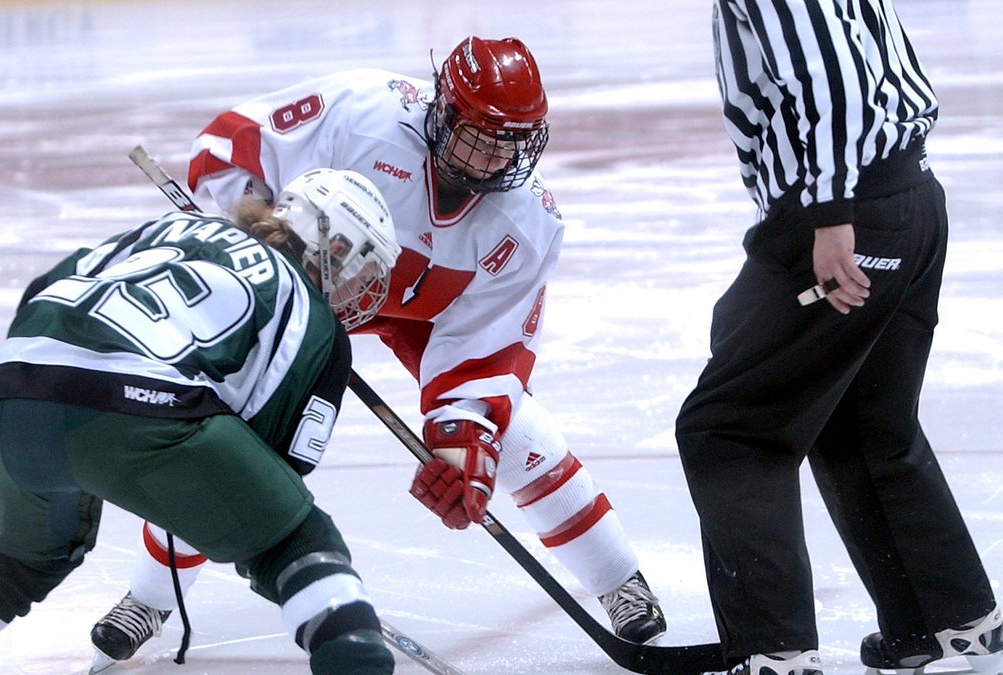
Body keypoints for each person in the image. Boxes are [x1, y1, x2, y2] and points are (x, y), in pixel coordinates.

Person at [88, 35, 669, 666]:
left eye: (510, 143)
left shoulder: (528, 223)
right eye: (479, 137)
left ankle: (618, 580)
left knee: (519, 436)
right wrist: (247, 237)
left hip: (428, 313)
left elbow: (481, 355)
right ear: (443, 111)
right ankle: (151, 597)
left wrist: (464, 444)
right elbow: (237, 145)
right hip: (310, 281)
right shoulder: (360, 112)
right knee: (235, 433)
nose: (493, 160)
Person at [0, 168, 403, 675]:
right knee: (294, 540)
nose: (359, 290)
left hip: (9, 394)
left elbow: (44, 286)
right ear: (335, 246)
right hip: (142, 409)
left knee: (13, 562)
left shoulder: (168, 227)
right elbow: (277, 470)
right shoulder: (312, 315)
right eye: (361, 271)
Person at [677, 2, 1003, 674]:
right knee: (865, 422)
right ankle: (950, 621)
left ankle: (776, 653)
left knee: (731, 428)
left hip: (845, 217)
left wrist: (831, 214)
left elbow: (829, 76)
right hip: (909, 200)